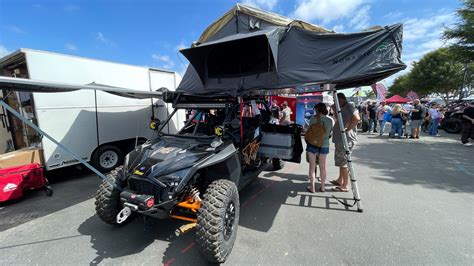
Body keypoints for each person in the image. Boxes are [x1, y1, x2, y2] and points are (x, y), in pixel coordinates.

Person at [330, 93, 360, 192]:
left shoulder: (349, 105)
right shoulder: (344, 107)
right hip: (342, 139)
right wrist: (335, 109)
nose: (334, 102)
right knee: (340, 161)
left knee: (343, 162)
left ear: (341, 99)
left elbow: (356, 118)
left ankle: (345, 185)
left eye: (336, 100)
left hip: (346, 139)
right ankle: (340, 180)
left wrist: (347, 129)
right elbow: (339, 120)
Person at [306, 103, 333, 193]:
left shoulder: (313, 118)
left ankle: (312, 187)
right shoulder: (330, 120)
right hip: (324, 144)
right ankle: (322, 187)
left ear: (317, 110)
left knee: (312, 167)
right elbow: (329, 133)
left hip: (312, 144)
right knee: (323, 167)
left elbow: (309, 129)